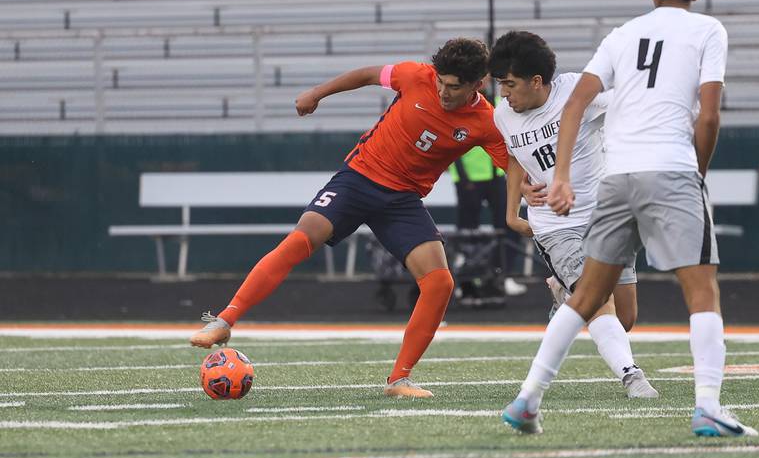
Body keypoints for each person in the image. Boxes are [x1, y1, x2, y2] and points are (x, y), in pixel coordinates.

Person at [501, 0, 758, 437]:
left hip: (616, 179)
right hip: (672, 170)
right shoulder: (708, 30)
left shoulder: (622, 34)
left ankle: (528, 399)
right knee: (702, 292)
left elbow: (576, 102)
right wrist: (697, 172)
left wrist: (560, 179)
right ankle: (707, 405)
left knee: (587, 299)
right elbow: (708, 115)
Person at [190, 38, 509, 399]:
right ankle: (223, 321)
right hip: (359, 178)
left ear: (477, 85)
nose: (443, 91)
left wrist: (528, 201)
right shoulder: (415, 75)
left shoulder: (487, 121)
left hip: (402, 200)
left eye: (454, 87)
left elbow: (512, 169)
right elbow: (367, 75)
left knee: (440, 283)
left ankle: (399, 380)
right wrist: (317, 93)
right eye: (441, 82)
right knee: (300, 240)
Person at [489, 30, 658, 399]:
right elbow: (514, 157)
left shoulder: (579, 92)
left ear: (537, 81)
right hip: (554, 224)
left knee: (624, 318)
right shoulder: (504, 114)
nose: (504, 93)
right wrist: (514, 202)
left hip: (606, 216)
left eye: (510, 84)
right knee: (597, 302)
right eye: (500, 84)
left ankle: (563, 294)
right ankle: (632, 376)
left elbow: (631, 102)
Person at [448, 146, 527, 307]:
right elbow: (452, 143)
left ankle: (502, 276)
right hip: (467, 178)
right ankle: (466, 281)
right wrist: (463, 176)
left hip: (495, 175)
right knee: (467, 233)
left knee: (509, 227)